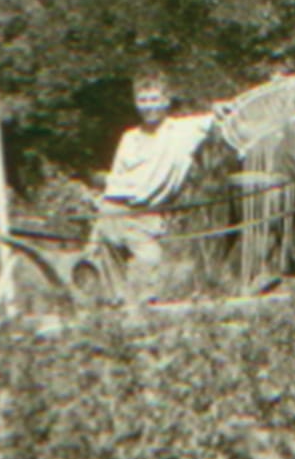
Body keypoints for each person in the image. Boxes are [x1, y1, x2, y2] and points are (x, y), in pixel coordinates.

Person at [89, 68, 212, 306]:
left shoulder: (185, 130)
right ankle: (118, 318)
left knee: (150, 267)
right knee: (112, 289)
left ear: (166, 101)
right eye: (143, 101)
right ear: (136, 103)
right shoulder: (129, 137)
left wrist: (223, 106)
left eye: (154, 99)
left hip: (147, 215)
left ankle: (147, 317)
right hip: (113, 210)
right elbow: (116, 177)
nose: (148, 106)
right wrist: (100, 213)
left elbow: (221, 115)